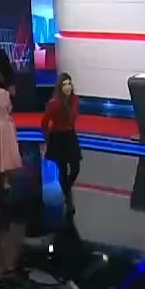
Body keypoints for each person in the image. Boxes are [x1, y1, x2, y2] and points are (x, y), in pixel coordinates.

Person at [41, 73, 81, 215]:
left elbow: (73, 118)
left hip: (70, 135)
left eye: (69, 84)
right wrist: (48, 138)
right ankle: (68, 199)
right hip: (58, 137)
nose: (68, 87)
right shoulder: (53, 103)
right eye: (64, 85)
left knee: (76, 168)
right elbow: (44, 123)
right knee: (63, 169)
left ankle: (66, 189)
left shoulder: (75, 100)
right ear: (60, 87)